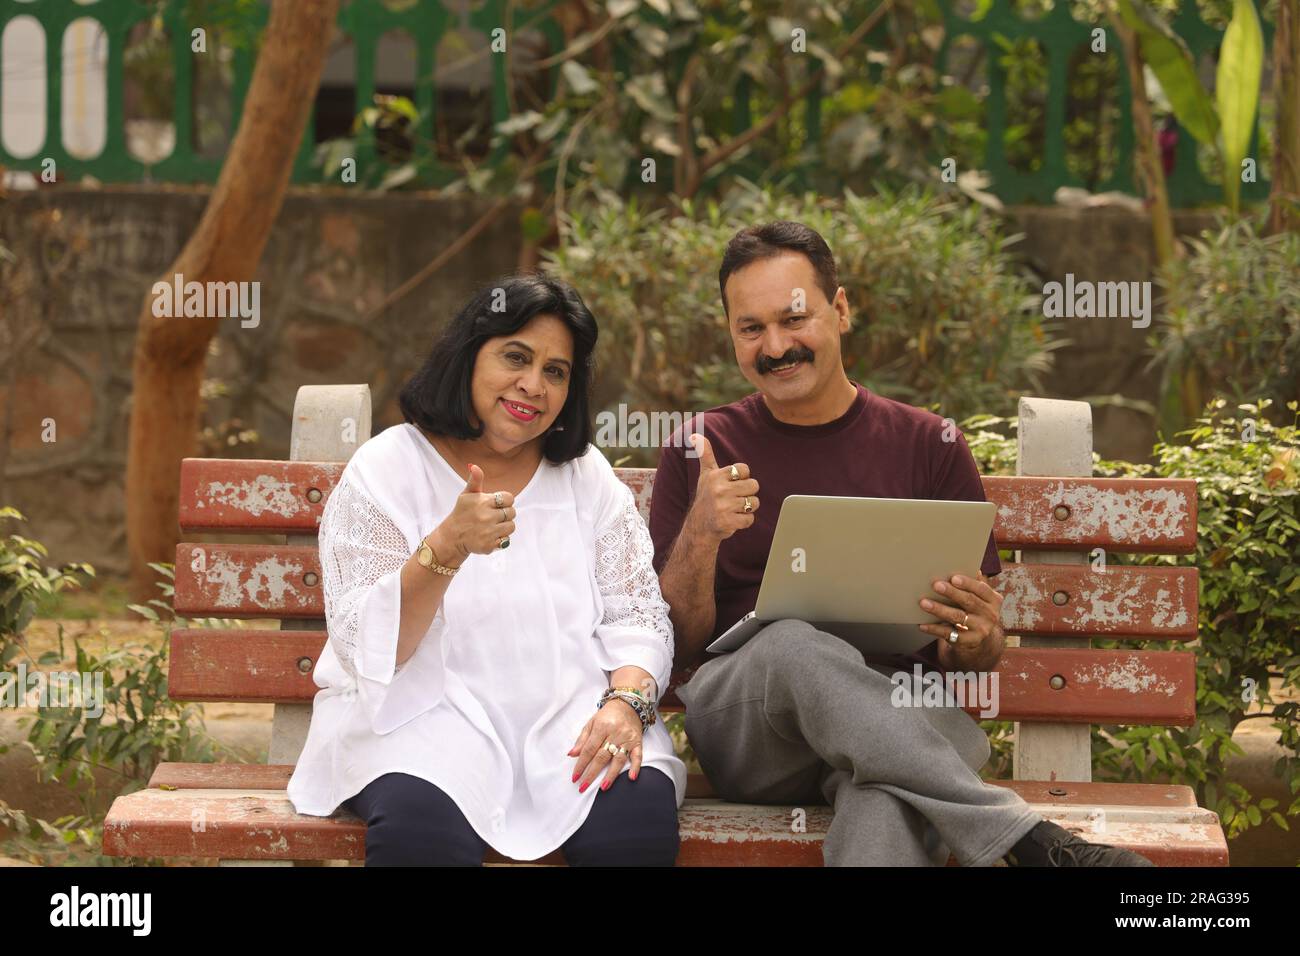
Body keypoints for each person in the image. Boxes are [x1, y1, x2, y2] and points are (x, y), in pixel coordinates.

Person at [648, 221, 1154, 867]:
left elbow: (973, 651)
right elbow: (677, 644)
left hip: (905, 731)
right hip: (754, 731)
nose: (775, 346)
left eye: (793, 318)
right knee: (792, 643)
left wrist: (975, 638)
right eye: (751, 328)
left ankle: (1011, 834)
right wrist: (702, 532)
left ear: (841, 309)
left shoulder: (928, 443)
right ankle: (1029, 841)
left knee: (886, 803)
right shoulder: (701, 447)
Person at [287, 273, 684, 866]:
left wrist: (626, 703)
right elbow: (366, 645)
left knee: (634, 824)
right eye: (515, 357)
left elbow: (638, 615)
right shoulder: (388, 468)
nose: (533, 384)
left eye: (556, 371)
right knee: (421, 837)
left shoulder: (585, 477)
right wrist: (446, 547)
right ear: (468, 356)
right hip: (423, 726)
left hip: (571, 723)